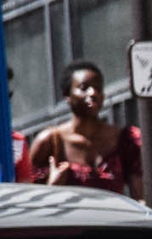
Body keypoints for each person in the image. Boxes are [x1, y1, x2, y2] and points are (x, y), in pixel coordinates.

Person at [26, 62, 144, 201]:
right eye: (84, 88)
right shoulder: (49, 143)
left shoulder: (126, 140)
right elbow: (30, 204)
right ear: (67, 96)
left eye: (98, 88)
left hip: (114, 222)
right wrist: (52, 187)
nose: (92, 93)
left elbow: (141, 199)